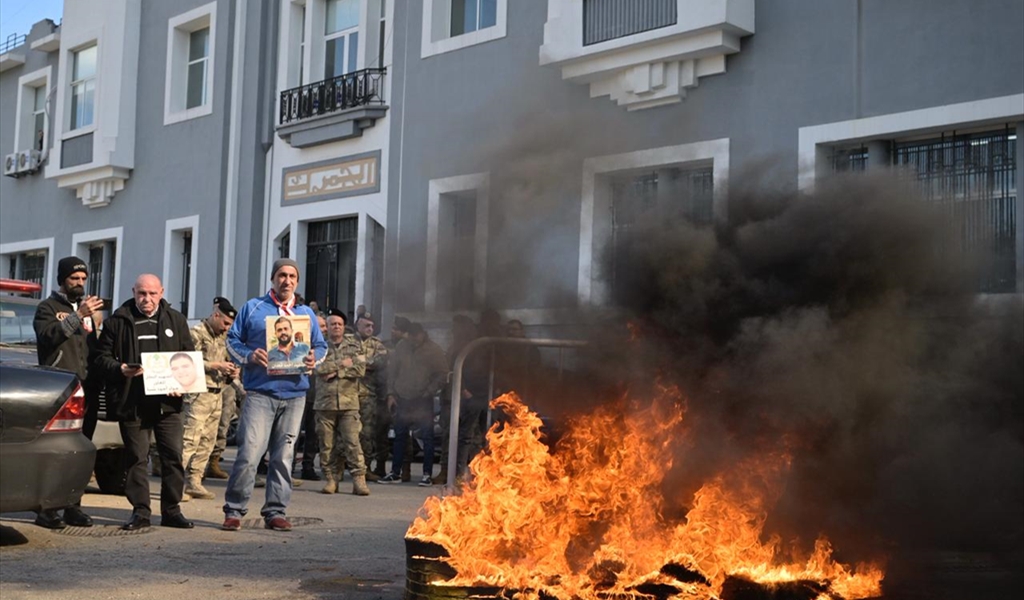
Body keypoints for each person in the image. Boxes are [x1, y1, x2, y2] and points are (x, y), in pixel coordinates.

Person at [222, 258, 327, 532]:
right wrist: (249, 356)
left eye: (292, 276)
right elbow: (231, 341)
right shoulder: (253, 308)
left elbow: (321, 346)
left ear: (297, 281)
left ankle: (276, 511)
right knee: (249, 453)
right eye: (282, 275)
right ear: (273, 278)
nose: (287, 280)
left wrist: (314, 358)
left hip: (295, 395)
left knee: (283, 457)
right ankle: (234, 510)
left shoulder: (305, 314)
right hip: (260, 393)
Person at [93, 274, 196, 530]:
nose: (146, 299)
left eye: (152, 293)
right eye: (141, 293)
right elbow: (100, 359)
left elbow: (188, 357)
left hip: (168, 404)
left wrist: (182, 385)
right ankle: (140, 512)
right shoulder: (117, 321)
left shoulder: (176, 320)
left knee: (173, 457)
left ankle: (172, 511)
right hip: (133, 402)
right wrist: (120, 369)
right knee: (136, 459)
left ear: (161, 292)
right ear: (133, 292)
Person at [31, 256, 104, 529]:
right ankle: (47, 509)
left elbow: (93, 349)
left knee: (80, 451)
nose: (79, 283)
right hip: (58, 389)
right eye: (74, 278)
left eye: (83, 279)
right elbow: (49, 336)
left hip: (86, 390)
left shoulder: (88, 311)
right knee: (55, 451)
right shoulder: (47, 307)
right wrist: (78, 316)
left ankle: (73, 506)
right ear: (62, 279)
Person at [180, 297, 237, 501]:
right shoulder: (196, 333)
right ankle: (175, 484)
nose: (226, 328)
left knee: (207, 441)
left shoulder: (223, 337)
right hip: (198, 394)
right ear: (216, 315)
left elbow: (227, 359)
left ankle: (194, 481)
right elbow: (187, 361)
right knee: (189, 440)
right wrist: (215, 366)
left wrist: (232, 372)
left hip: (217, 392)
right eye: (225, 323)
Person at [379, 322, 447, 486]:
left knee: (427, 437)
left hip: (423, 399)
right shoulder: (402, 346)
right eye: (411, 335)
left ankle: (426, 474)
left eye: (416, 335)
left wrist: (430, 390)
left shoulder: (434, 350)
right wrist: (391, 394)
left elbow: (442, 374)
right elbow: (392, 371)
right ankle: (395, 472)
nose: (413, 338)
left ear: (423, 334)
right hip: (402, 398)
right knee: (400, 436)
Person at [314, 309, 370, 496]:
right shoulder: (319, 346)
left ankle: (359, 480)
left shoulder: (354, 345)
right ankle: (331, 479)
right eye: (332, 324)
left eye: (339, 324)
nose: (336, 327)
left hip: (349, 403)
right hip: (325, 403)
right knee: (327, 444)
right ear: (327, 327)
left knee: (352, 443)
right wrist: (342, 364)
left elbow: (360, 369)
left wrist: (336, 372)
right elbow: (317, 368)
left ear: (344, 326)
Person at [369, 316, 410, 481]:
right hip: (381, 394)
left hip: (400, 397)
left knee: (403, 434)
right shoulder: (384, 345)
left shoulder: (409, 349)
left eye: (397, 329)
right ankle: (380, 466)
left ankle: (404, 469)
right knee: (380, 433)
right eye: (392, 328)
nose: (393, 332)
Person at [353, 313, 387, 481]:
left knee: (367, 433)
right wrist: (365, 361)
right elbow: (341, 360)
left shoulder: (377, 344)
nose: (370, 329)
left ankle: (365, 468)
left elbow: (379, 362)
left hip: (367, 394)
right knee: (345, 433)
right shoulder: (348, 341)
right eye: (367, 325)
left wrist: (356, 361)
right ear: (358, 325)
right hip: (347, 393)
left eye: (372, 326)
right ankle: (339, 467)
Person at [298, 312, 327, 480]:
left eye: (324, 326)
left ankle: (308, 467)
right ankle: (287, 467)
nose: (323, 329)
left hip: (319, 396)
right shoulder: (300, 343)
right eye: (320, 326)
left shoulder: (324, 347)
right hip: (301, 393)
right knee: (294, 434)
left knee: (313, 434)